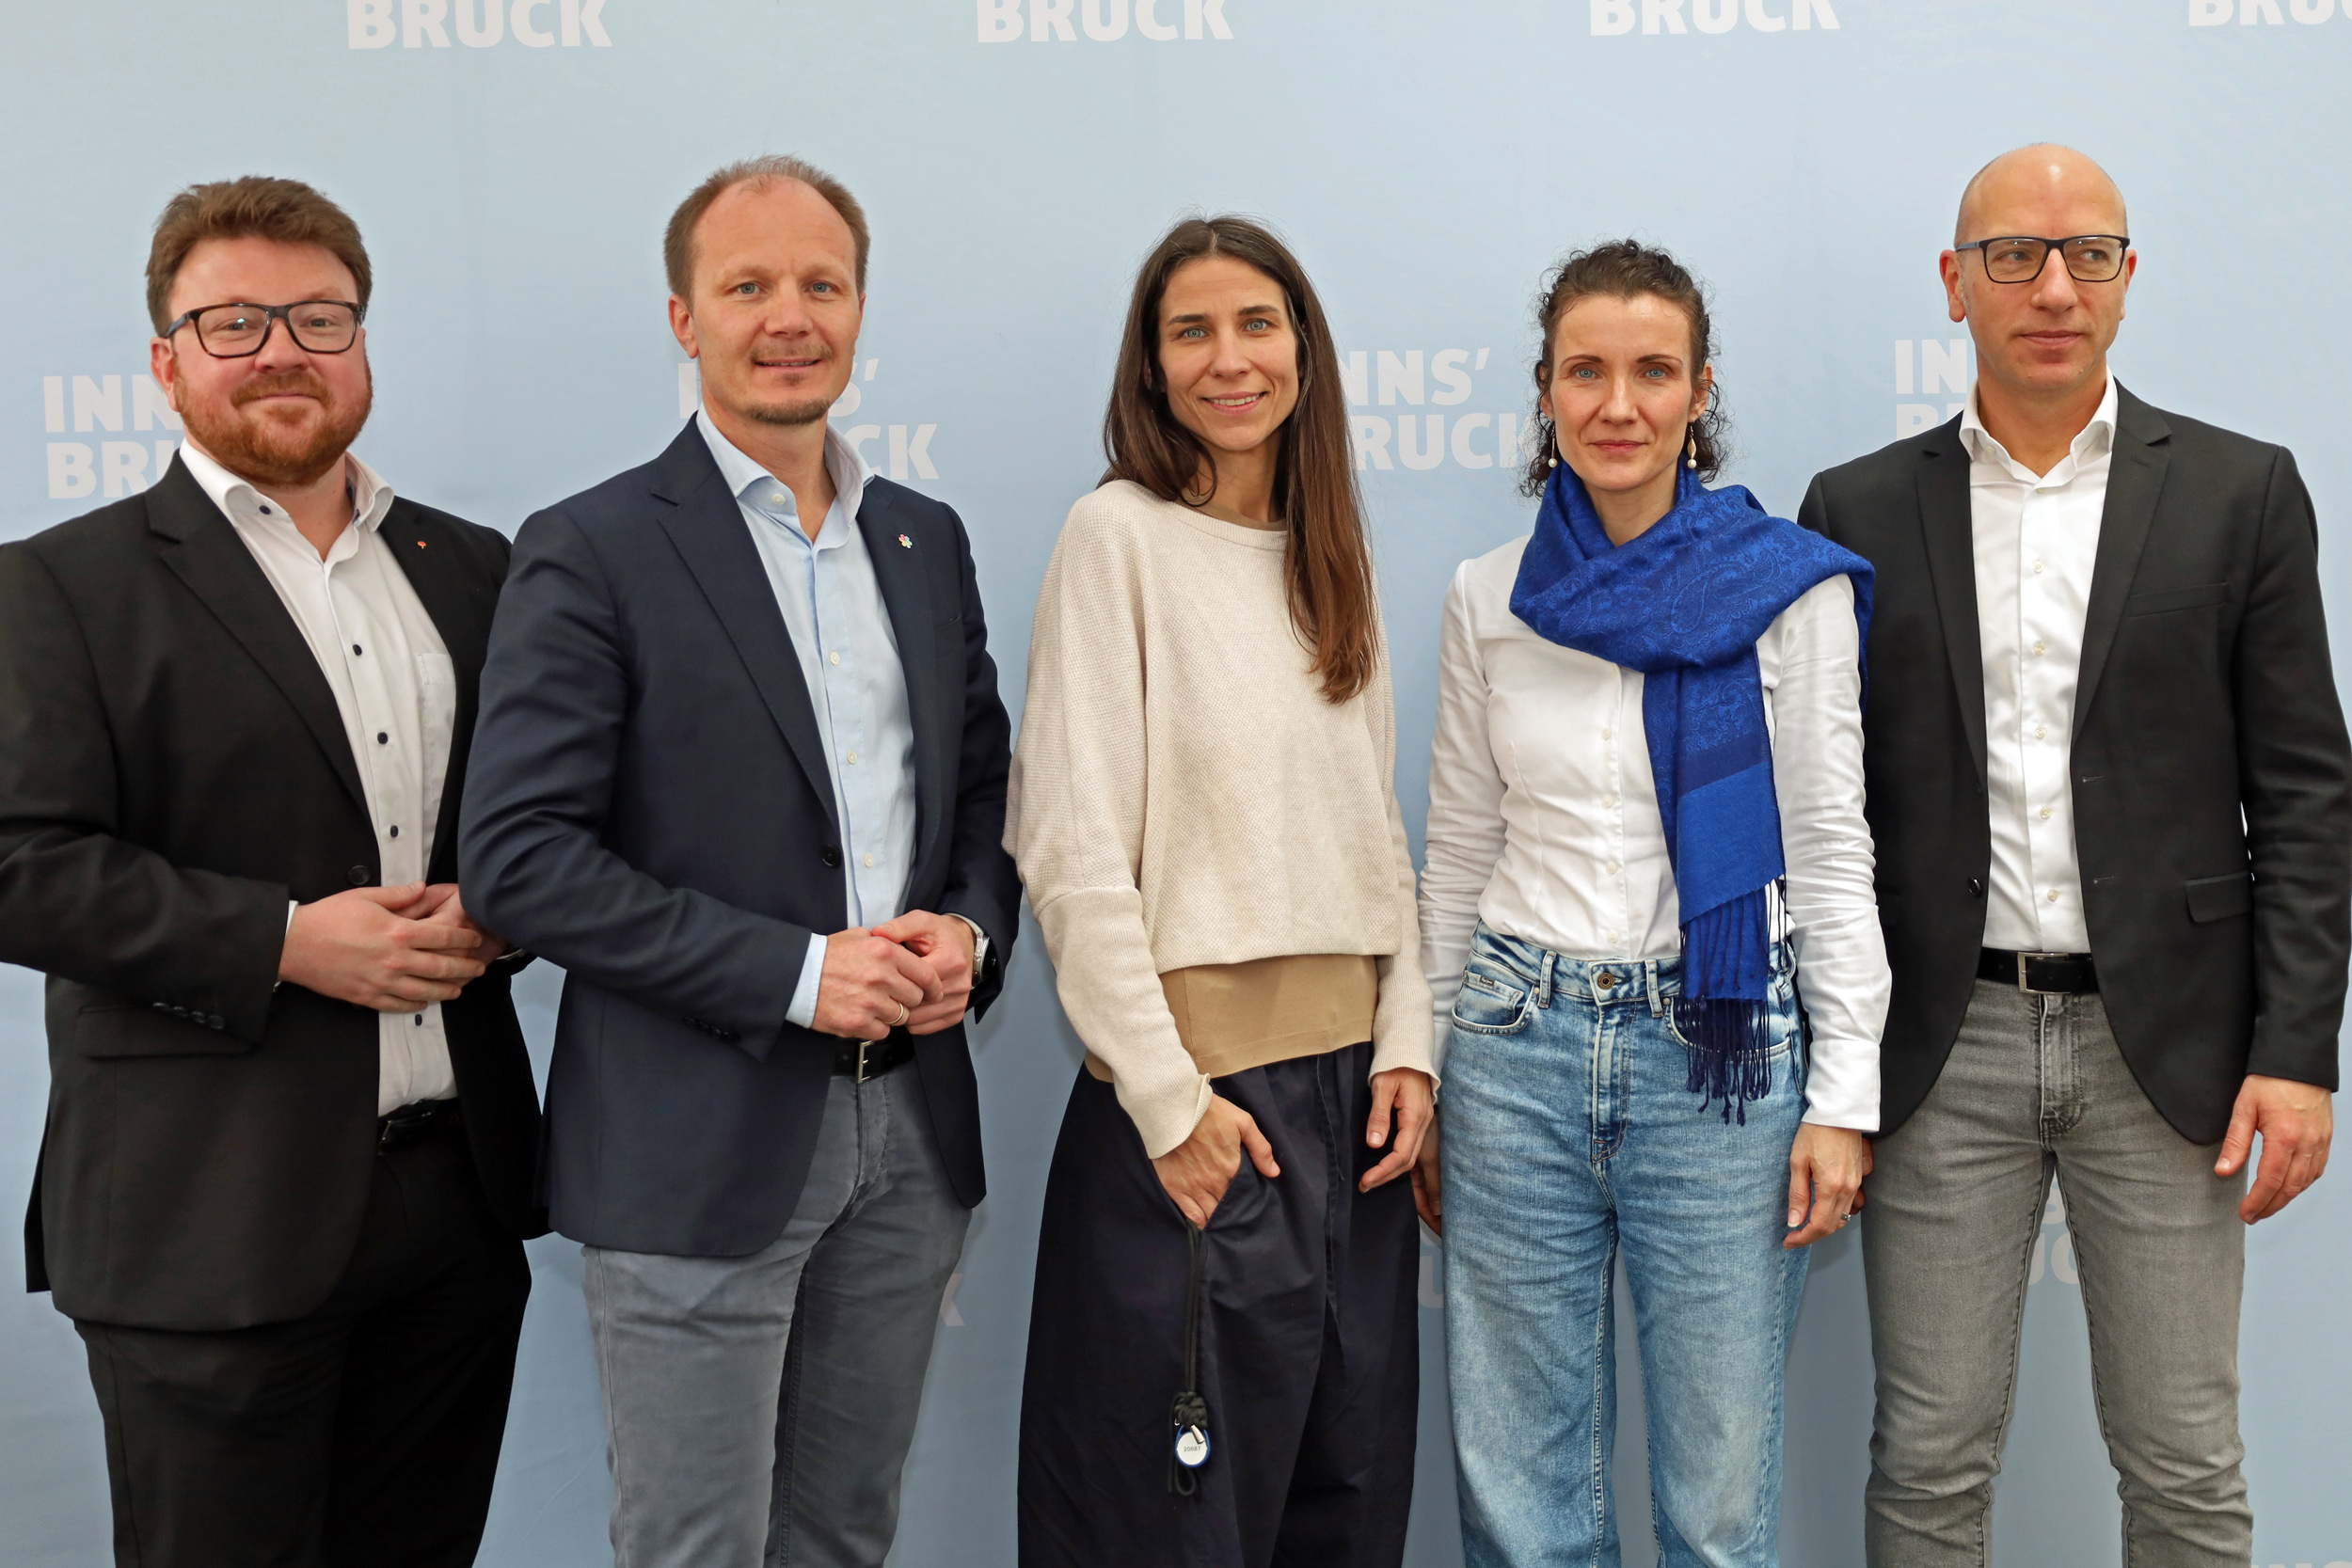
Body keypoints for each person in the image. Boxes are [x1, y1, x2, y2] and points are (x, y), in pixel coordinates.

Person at [458, 154, 1019, 1568]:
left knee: (843, 1538)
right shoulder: (590, 548)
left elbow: (980, 796)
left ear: (860, 308)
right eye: (748, 285)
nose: (789, 315)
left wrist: (970, 935)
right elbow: (520, 861)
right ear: (681, 317)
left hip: (912, 1146)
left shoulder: (923, 539)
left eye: (820, 284)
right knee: (696, 1548)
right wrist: (795, 974)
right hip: (693, 1146)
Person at [1798, 145, 2346, 1567]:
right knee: (1925, 1458)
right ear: (1955, 284)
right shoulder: (1854, 512)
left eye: (2089, 254)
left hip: (2172, 1052)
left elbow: (2304, 794)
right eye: (2014, 257)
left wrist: (2299, 1052)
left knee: (2182, 1462)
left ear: (2128, 279)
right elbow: (1827, 813)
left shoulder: (2242, 492)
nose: (2054, 286)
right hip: (1944, 1043)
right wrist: (1837, 1066)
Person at [0, 177, 543, 1568]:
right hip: (207, 1226)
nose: (284, 350)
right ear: (166, 361)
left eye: (319, 316)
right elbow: (18, 862)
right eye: (235, 321)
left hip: (457, 1207)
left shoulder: (477, 570)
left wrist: (509, 904)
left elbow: (537, 829)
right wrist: (284, 941)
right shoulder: (56, 586)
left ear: (362, 345)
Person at [1415, 240, 1888, 1568]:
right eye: (1586, 371)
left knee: (1721, 1499)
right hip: (1514, 1049)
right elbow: (1456, 852)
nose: (1617, 403)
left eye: (1651, 371)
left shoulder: (1785, 592)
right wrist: (1435, 1068)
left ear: (1700, 391)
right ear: (1547, 393)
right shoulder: (1488, 600)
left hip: (1722, 1059)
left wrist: (1844, 1097)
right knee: (1520, 1488)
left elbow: (1832, 853)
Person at [1007, 214, 1436, 1567]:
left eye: (1257, 324)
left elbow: (1377, 841)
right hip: (1202, 1114)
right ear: (1151, 363)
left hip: (1354, 1115)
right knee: (1170, 1530)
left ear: (1302, 350)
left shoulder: (1331, 555)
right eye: (1190, 330)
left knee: (1344, 1508)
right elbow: (1069, 847)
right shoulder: (1116, 539)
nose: (1228, 359)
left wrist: (1412, 1046)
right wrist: (1167, 1103)